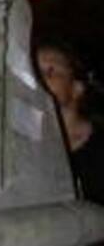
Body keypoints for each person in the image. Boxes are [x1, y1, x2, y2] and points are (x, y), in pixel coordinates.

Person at [36, 38, 104, 204]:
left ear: (76, 88)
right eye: (34, 72)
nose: (38, 80)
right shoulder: (29, 150)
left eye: (50, 71)